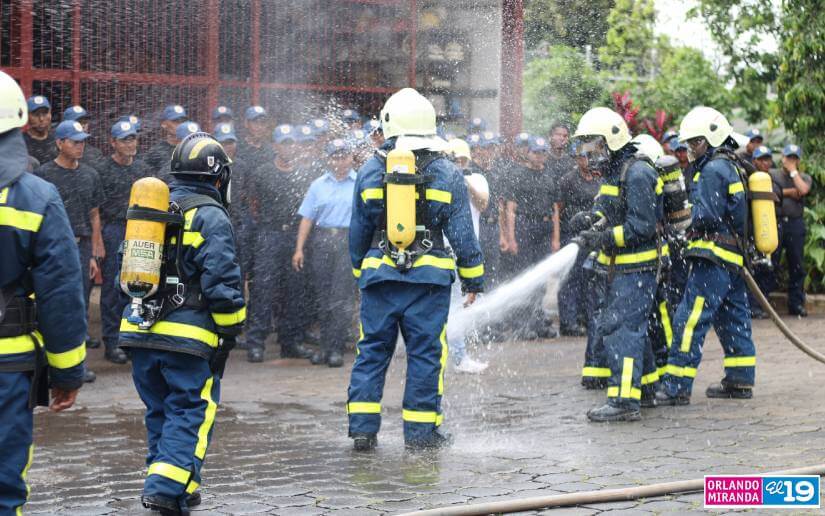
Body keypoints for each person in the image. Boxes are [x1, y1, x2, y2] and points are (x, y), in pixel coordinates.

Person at [347, 88, 484, 451]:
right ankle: (421, 435)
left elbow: (359, 230)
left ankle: (362, 430)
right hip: (429, 281)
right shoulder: (447, 173)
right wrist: (474, 278)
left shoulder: (370, 170)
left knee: (372, 351)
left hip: (380, 279)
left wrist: (360, 268)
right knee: (426, 355)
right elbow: (462, 234)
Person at [119, 132, 245, 515]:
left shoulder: (150, 210)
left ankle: (181, 486)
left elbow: (122, 276)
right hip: (188, 341)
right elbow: (221, 283)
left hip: (140, 332)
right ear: (217, 176)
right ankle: (163, 487)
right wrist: (230, 330)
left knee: (160, 410)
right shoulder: (210, 214)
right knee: (189, 411)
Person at [0, 70, 87, 515]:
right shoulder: (36, 197)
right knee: (3, 483)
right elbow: (60, 293)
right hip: (7, 367)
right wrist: (67, 372)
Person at [656, 106, 756, 405]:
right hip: (733, 256)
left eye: (696, 143)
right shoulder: (733, 165)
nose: (691, 150)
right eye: (689, 144)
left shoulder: (713, 169)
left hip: (712, 255)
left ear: (713, 139)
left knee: (689, 319)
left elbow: (706, 217)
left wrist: (682, 220)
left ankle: (676, 386)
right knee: (732, 317)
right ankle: (740, 379)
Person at [571, 107, 665, 422]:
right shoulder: (616, 171)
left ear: (611, 140)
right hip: (622, 268)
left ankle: (624, 401)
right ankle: (647, 390)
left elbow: (642, 227)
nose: (589, 153)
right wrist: (592, 219)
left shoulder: (637, 173)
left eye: (594, 145)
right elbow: (609, 210)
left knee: (622, 330)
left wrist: (605, 238)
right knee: (632, 328)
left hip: (637, 268)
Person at [35, 120, 104, 381]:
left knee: (78, 306)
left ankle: (75, 366)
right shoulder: (43, 175)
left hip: (81, 245)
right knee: (49, 304)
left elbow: (95, 214)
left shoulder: (90, 175)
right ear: (59, 143)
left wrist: (95, 254)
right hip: (52, 248)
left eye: (83, 141)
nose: (80, 146)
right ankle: (45, 364)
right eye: (74, 141)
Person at [244, 124, 314, 362]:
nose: (288, 147)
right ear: (274, 146)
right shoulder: (262, 172)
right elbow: (252, 203)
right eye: (283, 143)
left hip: (295, 237)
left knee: (295, 290)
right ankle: (256, 343)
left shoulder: (305, 174)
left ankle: (290, 341)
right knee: (263, 289)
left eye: (291, 143)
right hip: (269, 235)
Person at [292, 138, 358, 367]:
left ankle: (336, 349)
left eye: (344, 156)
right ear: (328, 159)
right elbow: (307, 218)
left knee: (341, 297)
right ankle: (325, 347)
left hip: (347, 241)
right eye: (335, 156)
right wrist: (299, 248)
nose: (340, 161)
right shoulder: (318, 185)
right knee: (322, 296)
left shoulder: (360, 183)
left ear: (351, 157)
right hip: (322, 241)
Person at [96, 120, 153, 364]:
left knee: (138, 287)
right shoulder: (102, 169)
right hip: (114, 229)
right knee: (112, 288)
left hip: (139, 230)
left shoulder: (142, 168)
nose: (131, 144)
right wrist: (99, 239)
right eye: (125, 140)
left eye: (133, 139)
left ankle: (131, 338)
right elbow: (95, 208)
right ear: (113, 142)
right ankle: (112, 341)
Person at [504, 136, 559, 340]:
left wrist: (555, 238)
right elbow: (510, 208)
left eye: (543, 152)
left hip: (544, 227)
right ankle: (522, 325)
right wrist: (511, 238)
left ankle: (538, 322)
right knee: (525, 276)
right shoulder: (519, 175)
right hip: (525, 226)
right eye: (536, 152)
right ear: (529, 153)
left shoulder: (550, 175)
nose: (539, 156)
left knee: (542, 279)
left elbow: (555, 209)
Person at [445, 138, 490, 373]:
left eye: (462, 160)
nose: (458, 164)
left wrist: (464, 182)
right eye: (454, 160)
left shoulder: (476, 178)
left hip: (467, 253)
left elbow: (482, 203)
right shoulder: (440, 179)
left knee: (464, 305)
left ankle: (459, 355)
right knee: (452, 305)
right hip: (442, 252)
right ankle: (459, 358)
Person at [553, 143, 603, 337]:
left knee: (588, 276)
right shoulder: (568, 180)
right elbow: (558, 207)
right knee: (570, 277)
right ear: (576, 158)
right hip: (573, 234)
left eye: (588, 156)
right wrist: (559, 236)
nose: (586, 160)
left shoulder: (599, 178)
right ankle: (568, 321)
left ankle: (586, 317)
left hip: (593, 235)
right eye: (582, 157)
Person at [772, 144, 812, 317]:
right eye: (788, 157)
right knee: (770, 262)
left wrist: (794, 172)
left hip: (795, 224)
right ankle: (761, 304)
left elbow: (803, 190)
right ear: (782, 157)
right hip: (776, 222)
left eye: (794, 158)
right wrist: (789, 192)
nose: (790, 161)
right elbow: (772, 193)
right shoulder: (773, 174)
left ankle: (796, 304)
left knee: (796, 265)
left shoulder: (804, 177)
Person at [747, 145, 784, 318]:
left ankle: (763, 304)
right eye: (761, 159)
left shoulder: (773, 182)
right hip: (754, 230)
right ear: (754, 161)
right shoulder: (748, 180)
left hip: (771, 230)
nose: (765, 163)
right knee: (755, 268)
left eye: (767, 159)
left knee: (770, 268)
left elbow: (779, 198)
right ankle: (754, 305)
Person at [144, 104, 188, 175]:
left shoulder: (192, 148)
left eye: (183, 121)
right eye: (176, 121)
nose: (180, 124)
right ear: (164, 124)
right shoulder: (156, 152)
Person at [23, 95, 57, 165]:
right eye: (36, 114)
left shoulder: (58, 138)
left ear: (50, 114)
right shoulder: (21, 142)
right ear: (27, 116)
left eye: (45, 113)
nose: (41, 119)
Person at [238, 105, 274, 169]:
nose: (259, 127)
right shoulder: (237, 148)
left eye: (263, 123)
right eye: (255, 122)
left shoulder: (270, 150)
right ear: (246, 123)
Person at [544, 122, 575, 188]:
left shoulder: (571, 161)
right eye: (558, 135)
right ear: (550, 136)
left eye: (565, 136)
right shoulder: (541, 158)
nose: (562, 138)